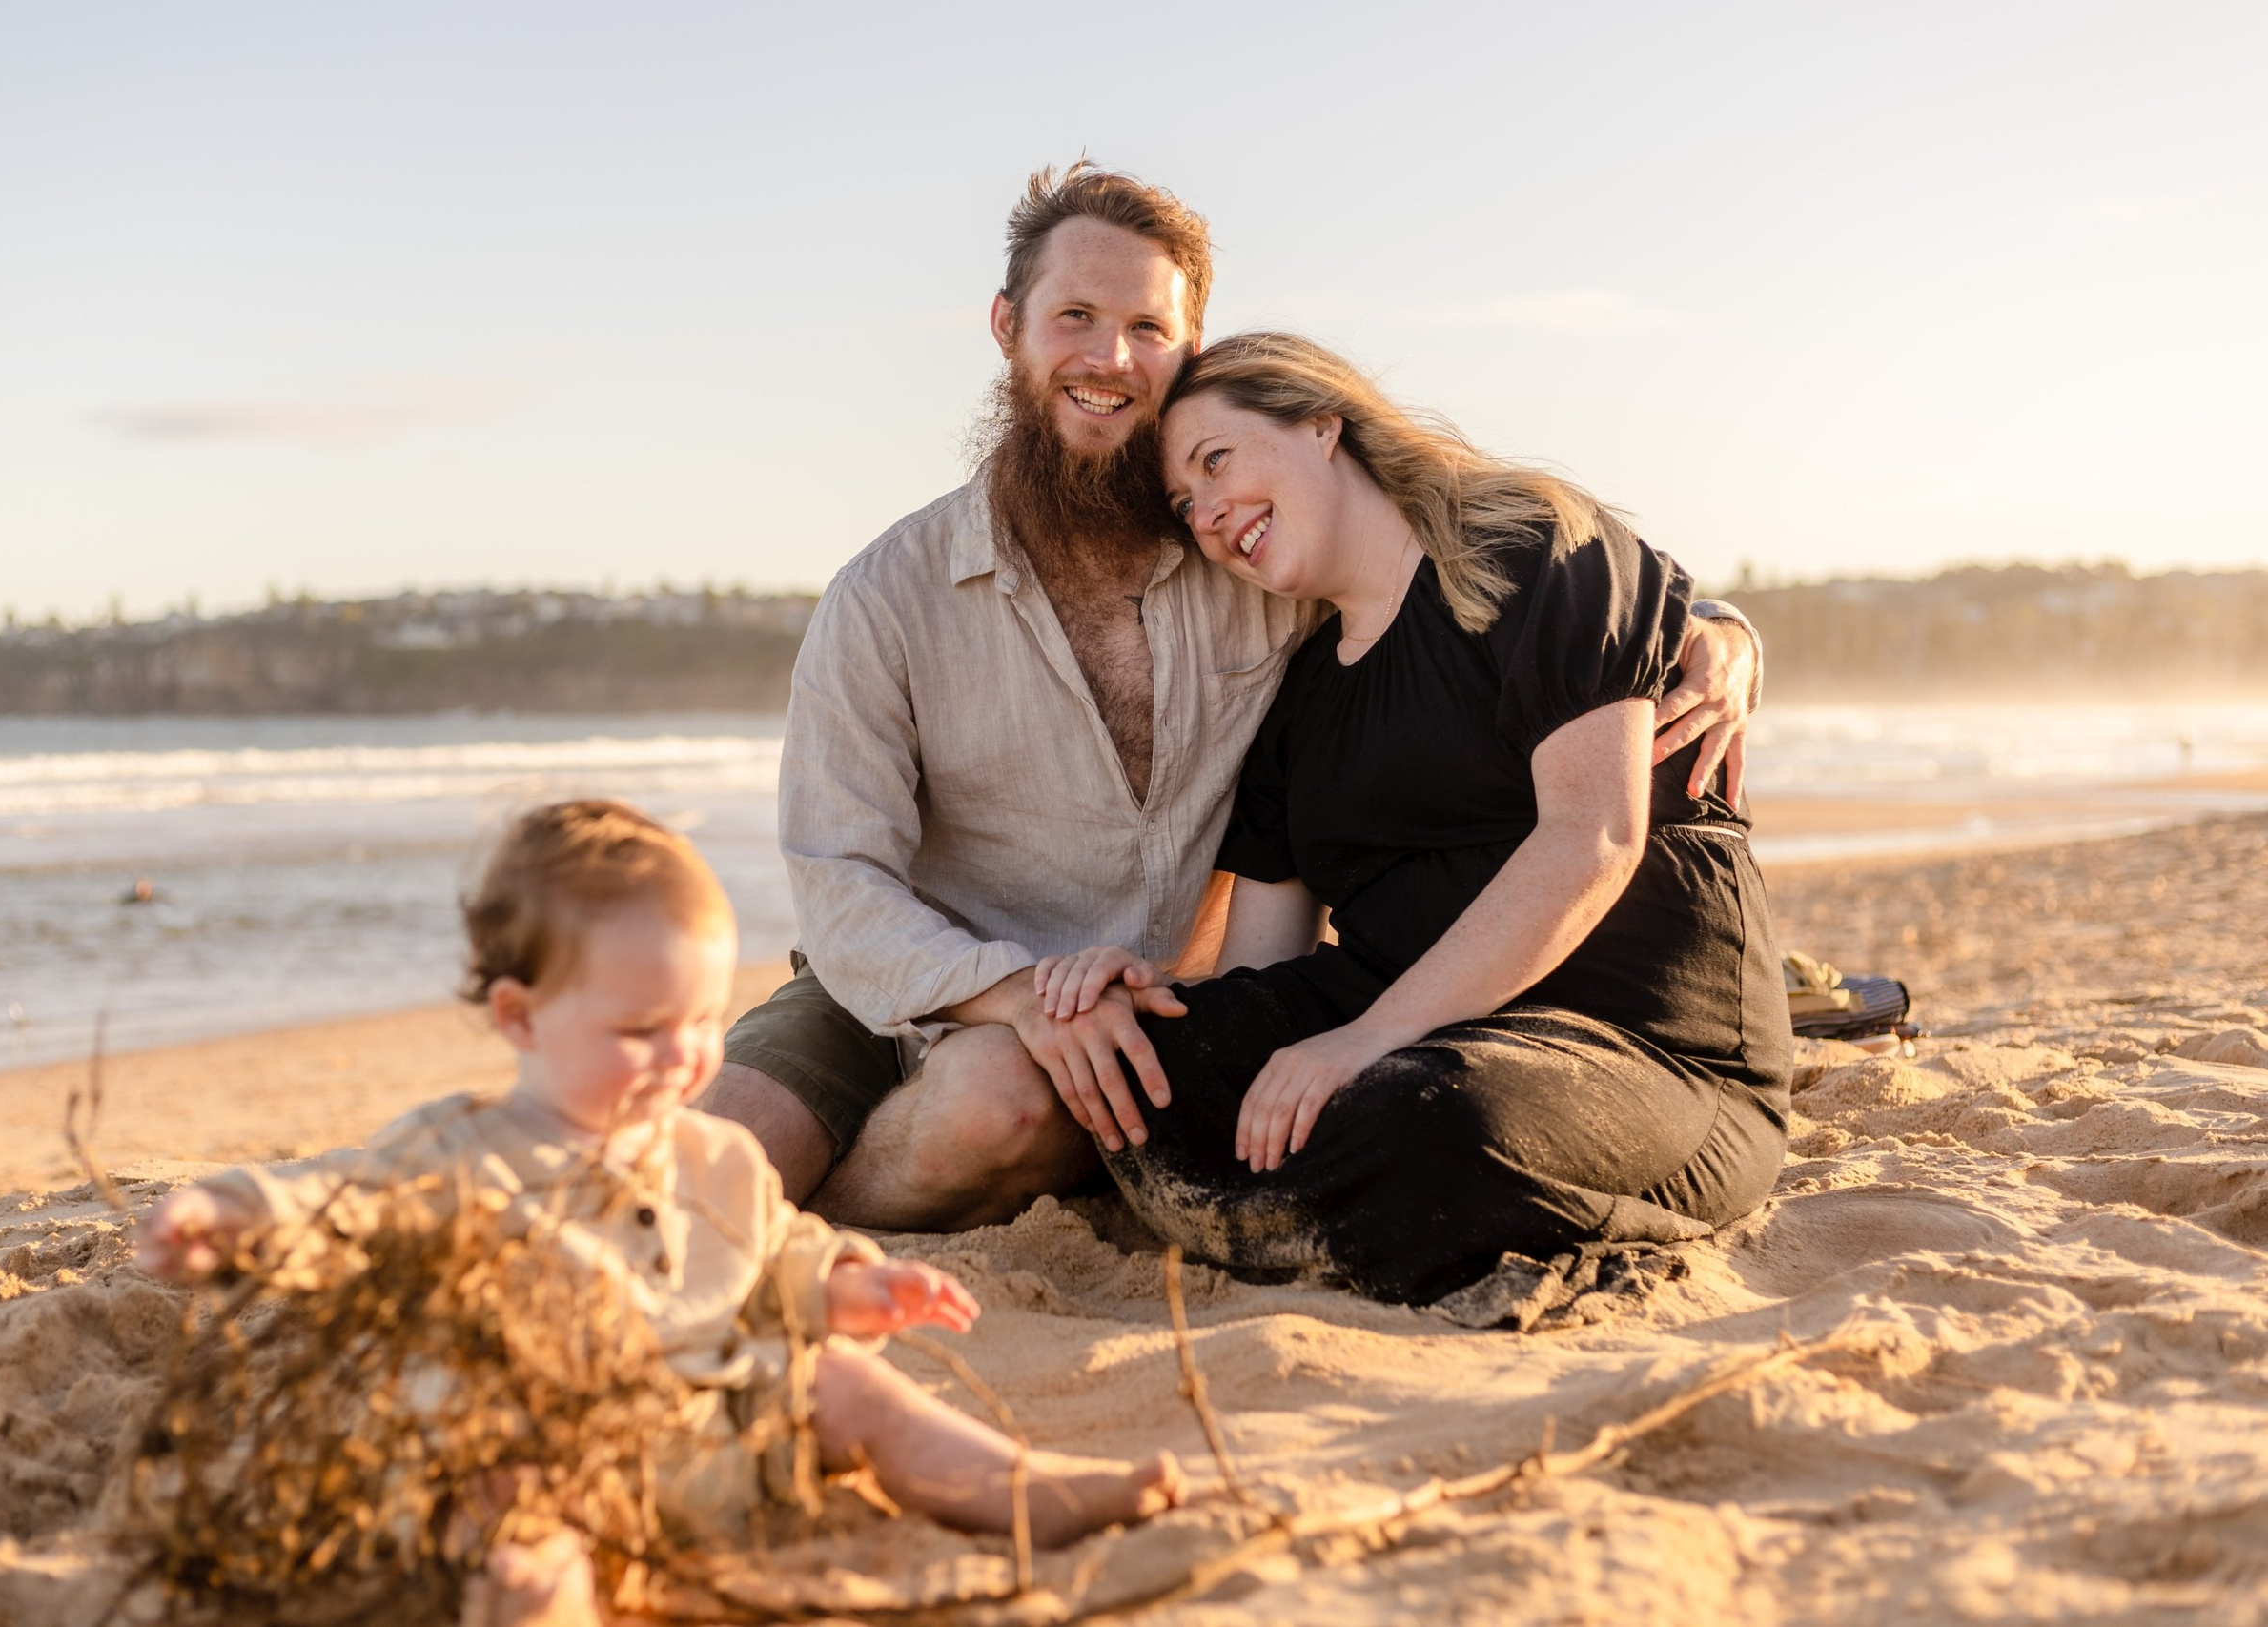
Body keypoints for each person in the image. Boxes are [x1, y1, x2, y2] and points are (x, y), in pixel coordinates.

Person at [706, 163, 1766, 1233]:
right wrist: (1015, 992)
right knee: (711, 1164)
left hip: (1112, 1018)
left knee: (996, 1107)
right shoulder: (887, 595)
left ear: (1190, 351)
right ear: (1006, 326)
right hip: (901, 986)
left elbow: (1502, 579)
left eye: (1146, 327)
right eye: (1075, 316)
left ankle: (809, 1247)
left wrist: (1719, 633)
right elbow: (838, 879)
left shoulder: (1257, 572)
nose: (1109, 357)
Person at [133, 800, 1183, 1616]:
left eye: (700, 1021)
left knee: (852, 1387)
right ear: (520, 1018)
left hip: (711, 1437)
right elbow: (337, 1206)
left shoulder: (708, 1153)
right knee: (517, 1545)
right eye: (642, 1030)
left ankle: (1026, 1490)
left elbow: (771, 1250)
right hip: (555, 1460)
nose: (682, 1056)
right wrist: (229, 1212)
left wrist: (841, 1286)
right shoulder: (459, 1152)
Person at [1035, 334, 1794, 1306]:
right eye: (1186, 506)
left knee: (1434, 1117)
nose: (1209, 515)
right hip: (1425, 1034)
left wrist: (1364, 1040)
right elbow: (1262, 973)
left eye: (1215, 461)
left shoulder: (1537, 555)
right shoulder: (1297, 704)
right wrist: (1143, 992)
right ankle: (1336, 1213)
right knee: (1157, 1063)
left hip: (1644, 1047)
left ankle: (1322, 1213)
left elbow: (1594, 838)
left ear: (1322, 423)